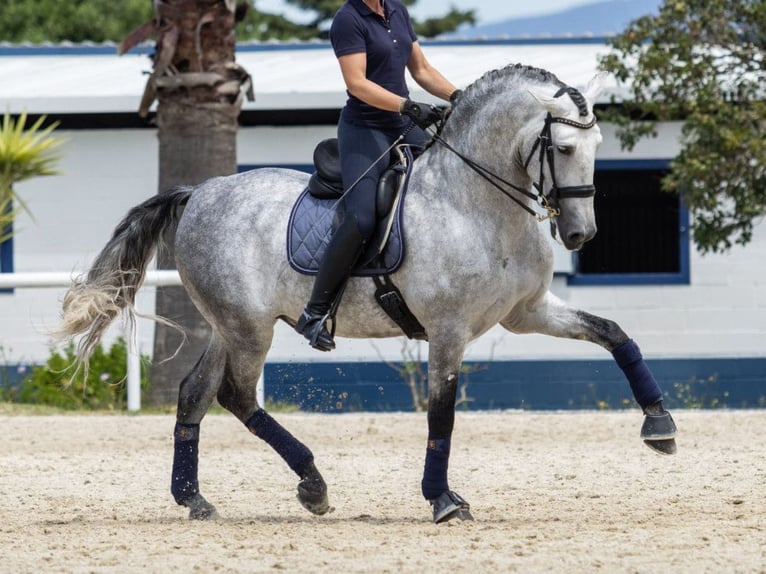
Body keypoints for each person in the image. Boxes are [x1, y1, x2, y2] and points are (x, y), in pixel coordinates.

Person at [295, 0, 460, 352]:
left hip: (402, 123)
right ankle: (315, 312)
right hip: (364, 129)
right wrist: (407, 105)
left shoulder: (397, 11)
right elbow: (357, 83)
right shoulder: (348, 19)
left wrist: (461, 97)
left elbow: (423, 70)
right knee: (361, 217)